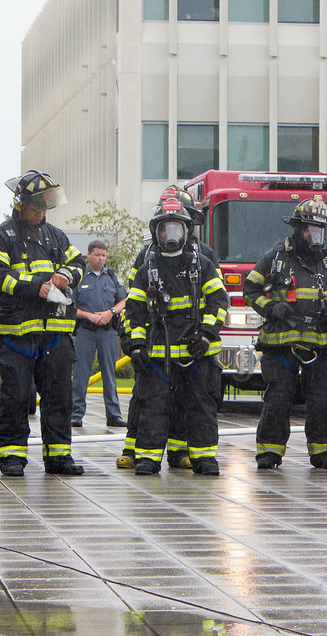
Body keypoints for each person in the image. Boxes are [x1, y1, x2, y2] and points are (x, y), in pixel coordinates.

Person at [0, 171, 86, 477]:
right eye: (36, 206)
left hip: (55, 335)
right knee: (15, 397)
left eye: (44, 207)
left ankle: (59, 457)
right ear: (20, 205)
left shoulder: (56, 236)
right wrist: (35, 285)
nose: (41, 212)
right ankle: (11, 457)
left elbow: (78, 262)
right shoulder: (1, 237)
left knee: (59, 397)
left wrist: (66, 275)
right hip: (16, 337)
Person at [118, 186, 220, 470]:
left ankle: (201, 458)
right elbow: (133, 308)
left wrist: (206, 335)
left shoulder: (204, 262)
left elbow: (217, 301)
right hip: (158, 351)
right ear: (157, 231)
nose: (171, 235)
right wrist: (135, 345)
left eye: (177, 228)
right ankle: (147, 459)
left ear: (187, 229)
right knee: (152, 403)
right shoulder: (146, 265)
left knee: (200, 405)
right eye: (166, 229)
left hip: (195, 351)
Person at [243, 198, 327, 470]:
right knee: (278, 399)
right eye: (310, 230)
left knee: (322, 401)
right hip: (281, 347)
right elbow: (250, 290)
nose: (315, 237)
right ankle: (269, 452)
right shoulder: (275, 258)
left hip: (320, 348)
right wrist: (270, 308)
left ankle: (324, 452)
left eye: (319, 231)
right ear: (298, 229)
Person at [71, 239, 127, 428]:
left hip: (107, 332)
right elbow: (70, 306)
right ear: (89, 255)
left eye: (103, 255)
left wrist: (109, 313)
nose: (101, 258)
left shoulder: (111, 277)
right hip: (85, 331)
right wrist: (88, 315)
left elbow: (124, 301)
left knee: (109, 374)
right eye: (97, 255)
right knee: (81, 374)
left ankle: (113, 414)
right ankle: (76, 414)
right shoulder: (79, 278)